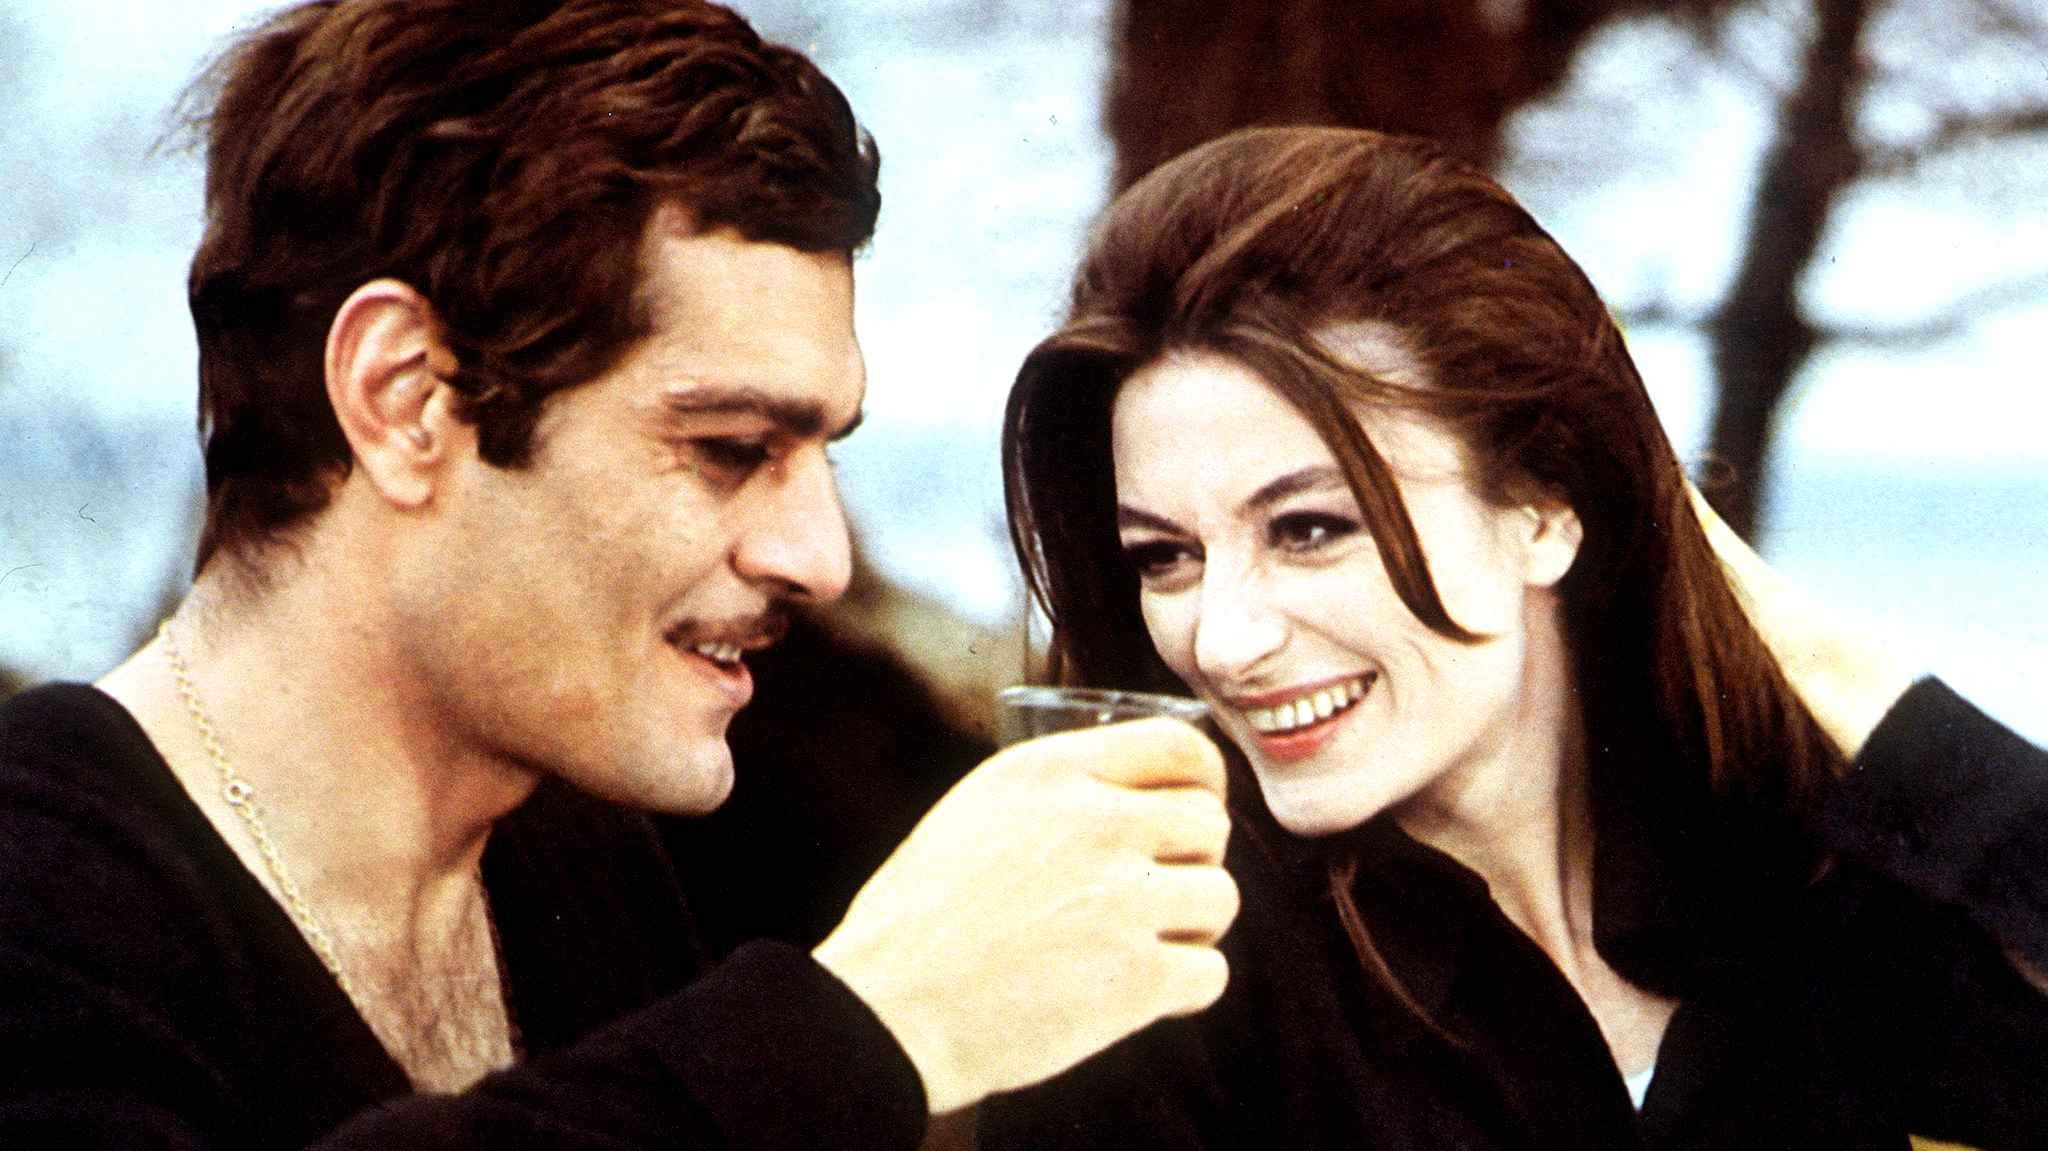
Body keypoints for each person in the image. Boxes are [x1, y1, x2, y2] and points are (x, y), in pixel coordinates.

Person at [0, 3, 1240, 1147]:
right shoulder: (37, 894)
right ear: (405, 398)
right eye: (730, 448)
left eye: (821, 455)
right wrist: (869, 1025)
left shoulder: (579, 854)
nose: (819, 559)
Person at [986, 126, 2048, 1149]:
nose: (1221, 641)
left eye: (1307, 528)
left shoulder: (1788, 889)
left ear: (1542, 506)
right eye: (1165, 555)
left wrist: (1804, 644)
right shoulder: (1149, 980)